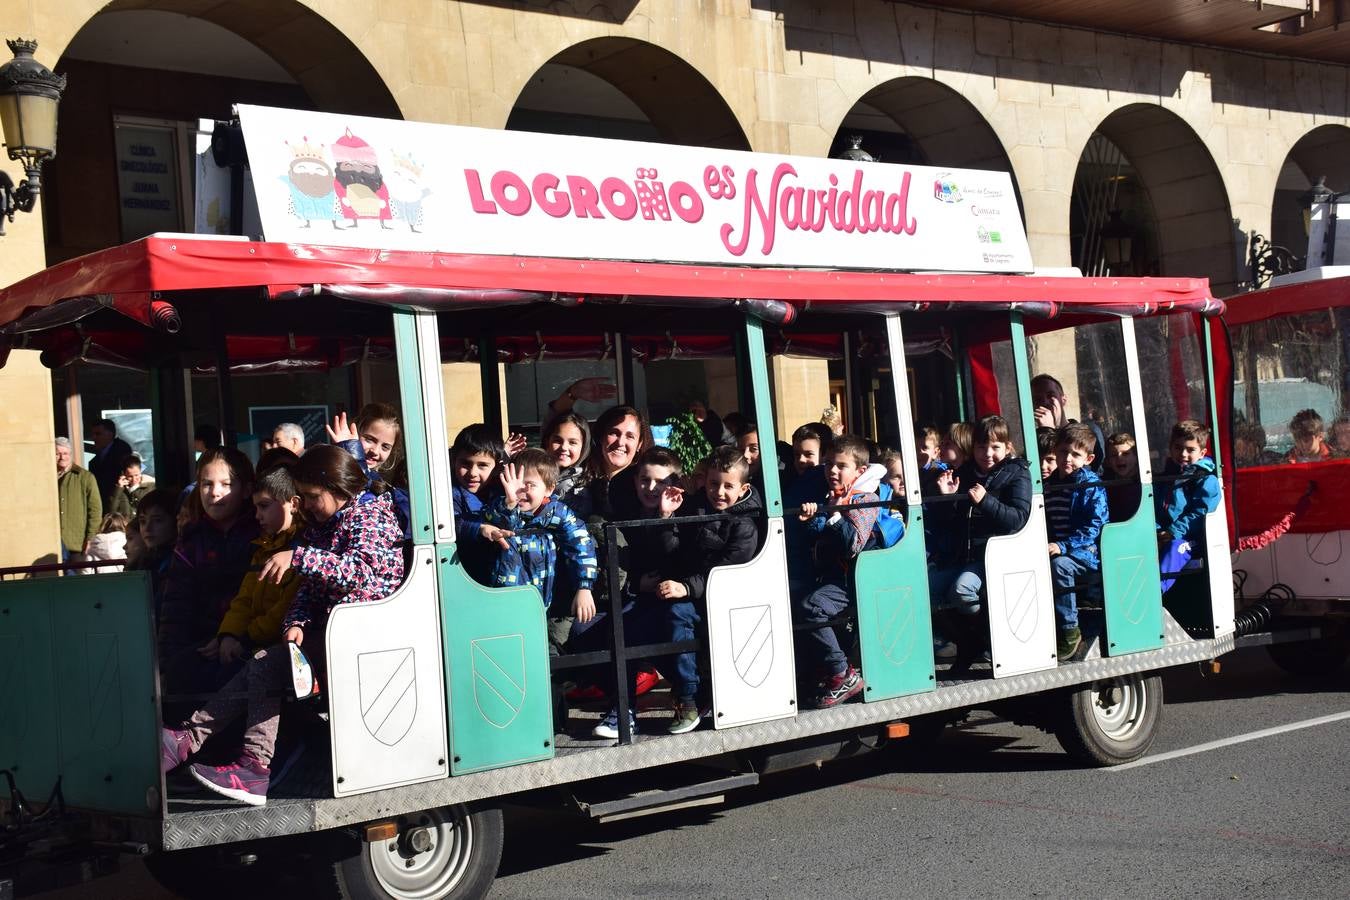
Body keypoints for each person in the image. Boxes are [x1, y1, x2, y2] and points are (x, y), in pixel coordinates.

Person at [161, 446, 405, 806]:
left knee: (264, 665)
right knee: (264, 663)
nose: (305, 506)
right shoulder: (327, 524)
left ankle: (227, 755)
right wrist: (297, 622)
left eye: (311, 497)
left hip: (366, 636)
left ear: (339, 489)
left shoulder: (370, 518)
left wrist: (299, 556)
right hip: (334, 633)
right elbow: (309, 588)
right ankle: (216, 750)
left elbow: (360, 575)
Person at [651, 445, 762, 734]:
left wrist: (685, 587)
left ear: (743, 487)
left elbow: (727, 572)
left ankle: (688, 697)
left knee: (677, 614)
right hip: (695, 593)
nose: (720, 492)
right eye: (714, 483)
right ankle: (690, 695)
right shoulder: (694, 507)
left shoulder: (745, 524)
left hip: (729, 601)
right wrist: (666, 520)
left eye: (728, 486)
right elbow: (674, 553)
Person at [927, 415, 1032, 667]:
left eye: (995, 447)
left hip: (994, 557)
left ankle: (987, 639)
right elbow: (950, 522)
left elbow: (1018, 519)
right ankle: (966, 641)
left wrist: (986, 501)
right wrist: (948, 498)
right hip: (963, 556)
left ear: (1007, 448)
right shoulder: (964, 473)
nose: (987, 453)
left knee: (962, 589)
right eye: (981, 447)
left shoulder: (1017, 474)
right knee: (923, 589)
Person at [157, 448, 260, 695]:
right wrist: (166, 663)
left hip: (249, 642)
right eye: (206, 484)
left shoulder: (261, 534)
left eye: (226, 484)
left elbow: (262, 599)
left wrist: (233, 636)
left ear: (246, 490)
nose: (214, 493)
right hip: (199, 646)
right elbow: (175, 607)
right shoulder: (191, 541)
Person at [793, 434, 885, 709]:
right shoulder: (829, 495)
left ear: (860, 471)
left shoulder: (865, 499)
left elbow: (851, 545)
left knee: (811, 607)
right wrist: (812, 518)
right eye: (829, 464)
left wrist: (833, 514)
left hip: (852, 580)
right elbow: (819, 539)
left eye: (841, 465)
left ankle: (842, 673)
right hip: (828, 575)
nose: (832, 470)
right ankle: (818, 671)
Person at [483, 449, 598, 656]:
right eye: (516, 485)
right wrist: (509, 503)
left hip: (543, 599)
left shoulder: (557, 512)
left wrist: (584, 586)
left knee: (543, 648)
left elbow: (581, 541)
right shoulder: (502, 507)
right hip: (505, 600)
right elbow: (498, 520)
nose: (521, 492)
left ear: (548, 489)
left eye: (530, 485)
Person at [200, 463, 303, 676]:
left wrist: (245, 640)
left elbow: (283, 610)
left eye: (264, 506)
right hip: (250, 642)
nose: (257, 516)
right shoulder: (263, 549)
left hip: (271, 646)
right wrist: (227, 635)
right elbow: (244, 600)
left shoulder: (302, 552)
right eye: (256, 508)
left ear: (293, 504)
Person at [1044, 424, 1108, 662]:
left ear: (1089, 459)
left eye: (1075, 454)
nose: (1067, 459)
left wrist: (1064, 546)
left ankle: (1070, 630)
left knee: (1060, 566)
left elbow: (1094, 526)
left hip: (1087, 553)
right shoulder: (1050, 485)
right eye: (1062, 452)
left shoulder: (1090, 485)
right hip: (1060, 547)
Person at [1156, 419, 1220, 592]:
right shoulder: (1164, 477)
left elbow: (1200, 513)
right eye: (1178, 448)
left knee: (1175, 548)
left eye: (1190, 449)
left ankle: (1155, 592)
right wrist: (1157, 532)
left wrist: (1172, 532)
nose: (1183, 454)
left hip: (1190, 538)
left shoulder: (1205, 479)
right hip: (1163, 533)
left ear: (1202, 452)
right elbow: (1154, 508)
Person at [450, 423, 507, 584]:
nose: (473, 473)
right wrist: (479, 528)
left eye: (482, 465)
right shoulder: (449, 494)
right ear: (454, 460)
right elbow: (449, 523)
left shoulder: (503, 492)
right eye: (465, 464)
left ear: (496, 467)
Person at [1029, 374, 1105, 472]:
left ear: (1063, 400)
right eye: (1037, 399)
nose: (1045, 401)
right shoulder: (1031, 439)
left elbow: (1094, 471)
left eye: (1050, 395)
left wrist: (1049, 432)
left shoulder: (1088, 432)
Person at [55, 437, 102, 566]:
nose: (62, 457)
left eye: (65, 453)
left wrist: (90, 537)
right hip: (54, 544)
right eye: (58, 453)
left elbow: (95, 510)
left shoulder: (85, 477)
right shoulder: (48, 477)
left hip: (77, 545)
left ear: (70, 454)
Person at [129, 488, 178, 601]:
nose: (147, 528)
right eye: (142, 521)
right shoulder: (142, 561)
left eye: (157, 520)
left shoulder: (178, 562)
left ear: (175, 522)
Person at [88, 418, 135, 509]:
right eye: (93, 434)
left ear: (110, 434)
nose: (94, 438)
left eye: (98, 434)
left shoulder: (121, 451)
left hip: (120, 506)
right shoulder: (96, 460)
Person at [1103, 431, 1142, 521]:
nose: (1119, 458)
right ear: (1108, 461)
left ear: (1136, 457)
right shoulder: (1106, 484)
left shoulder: (1144, 481)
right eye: (1113, 455)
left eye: (1125, 454)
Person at [109, 454, 153, 519]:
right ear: (123, 474)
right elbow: (111, 511)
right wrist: (119, 488)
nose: (134, 479)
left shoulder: (150, 486)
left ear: (140, 471)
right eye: (130, 476)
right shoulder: (119, 490)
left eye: (136, 475)